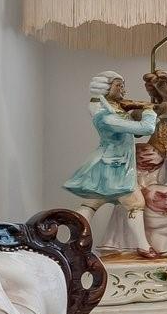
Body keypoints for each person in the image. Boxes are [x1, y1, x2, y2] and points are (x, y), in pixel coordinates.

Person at [62, 71, 157, 255]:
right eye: (118, 85)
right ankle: (143, 246)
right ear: (105, 88)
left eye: (123, 85)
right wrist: (148, 110)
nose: (123, 89)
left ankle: (73, 243)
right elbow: (146, 129)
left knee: (91, 204)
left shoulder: (116, 111)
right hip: (115, 167)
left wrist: (134, 111)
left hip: (109, 164)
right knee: (135, 202)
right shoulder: (105, 116)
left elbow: (133, 133)